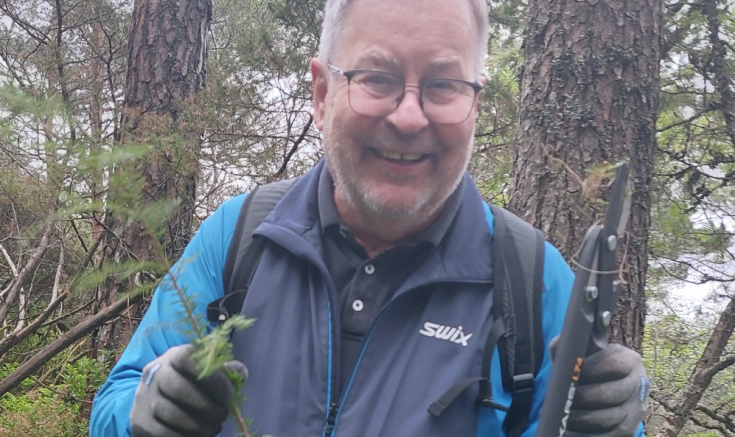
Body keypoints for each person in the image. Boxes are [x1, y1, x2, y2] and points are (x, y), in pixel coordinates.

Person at [89, 0, 649, 436]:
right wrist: (144, 412)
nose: (409, 117)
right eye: (377, 78)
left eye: (444, 84)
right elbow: (115, 404)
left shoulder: (530, 279)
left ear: (475, 100)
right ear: (321, 93)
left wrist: (613, 423)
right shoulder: (240, 239)